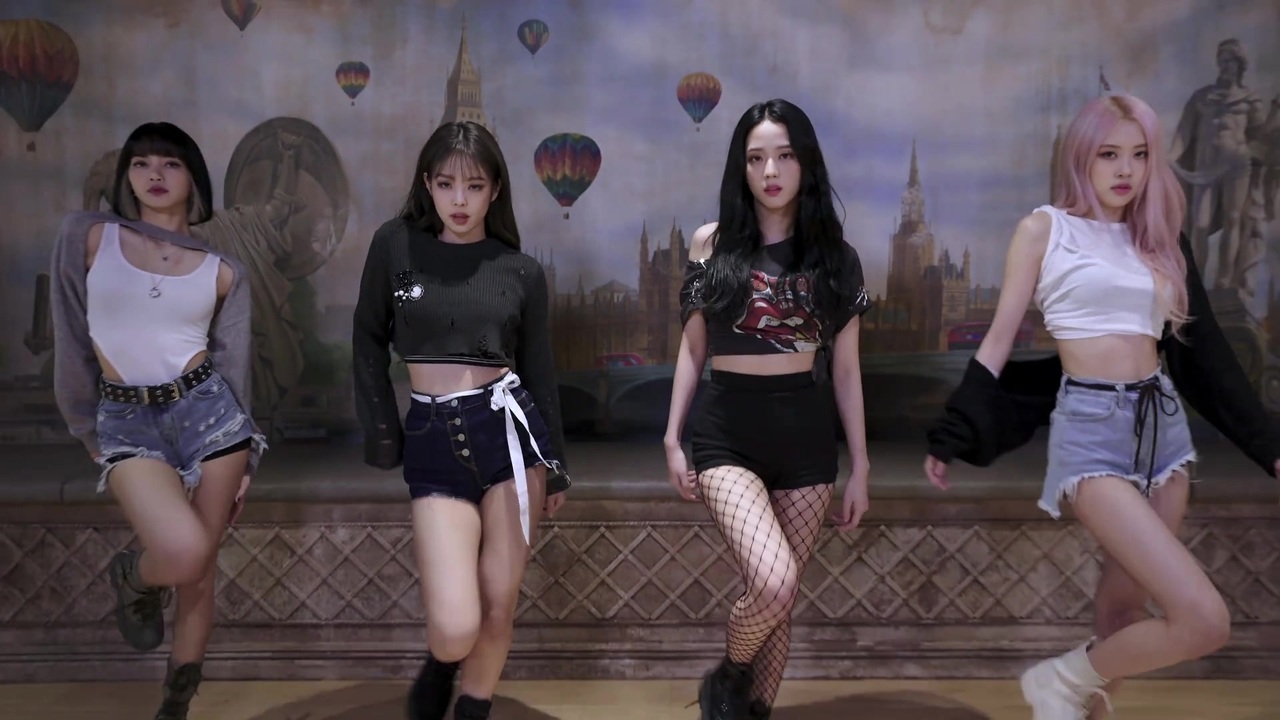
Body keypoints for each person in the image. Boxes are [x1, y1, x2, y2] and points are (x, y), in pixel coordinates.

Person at [924, 94, 1280, 720]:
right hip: (1091, 430)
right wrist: (954, 430)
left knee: (1123, 611)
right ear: (1081, 157)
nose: (1125, 170)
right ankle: (1059, 679)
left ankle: (1081, 705)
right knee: (1204, 619)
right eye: (1109, 154)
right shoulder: (1044, 230)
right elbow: (998, 341)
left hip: (1164, 435)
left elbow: (1208, 361)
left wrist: (1271, 449)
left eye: (1139, 155)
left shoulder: (1162, 240)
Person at [351, 121, 571, 720]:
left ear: (495, 190)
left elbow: (540, 371)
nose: (459, 200)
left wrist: (555, 466)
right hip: (432, 438)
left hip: (509, 438)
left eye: (474, 186)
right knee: (453, 629)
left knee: (499, 606)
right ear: (427, 183)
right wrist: (382, 430)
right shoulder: (395, 246)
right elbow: (367, 338)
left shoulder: (520, 271)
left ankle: (474, 708)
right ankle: (442, 661)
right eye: (446, 184)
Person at [50, 121, 267, 720]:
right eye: (141, 163)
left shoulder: (223, 268)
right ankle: (135, 576)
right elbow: (70, 338)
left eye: (170, 163)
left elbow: (234, 365)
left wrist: (248, 458)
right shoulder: (88, 236)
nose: (154, 174)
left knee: (200, 572)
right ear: (127, 177)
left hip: (212, 418)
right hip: (127, 419)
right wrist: (87, 430)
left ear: (193, 178)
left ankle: (176, 703)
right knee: (184, 551)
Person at [664, 98, 872, 720]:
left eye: (784, 156)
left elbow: (846, 370)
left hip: (806, 438)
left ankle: (748, 709)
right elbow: (693, 347)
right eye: (756, 159)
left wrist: (861, 466)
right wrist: (672, 438)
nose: (771, 171)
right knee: (774, 581)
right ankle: (728, 674)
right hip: (728, 431)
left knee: (781, 599)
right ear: (742, 167)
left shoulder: (836, 256)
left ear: (806, 163)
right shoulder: (711, 243)